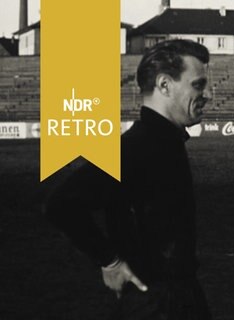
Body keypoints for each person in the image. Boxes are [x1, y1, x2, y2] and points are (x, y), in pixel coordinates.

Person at [44, 39, 212, 320]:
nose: (207, 94)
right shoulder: (137, 145)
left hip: (173, 296)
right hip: (157, 301)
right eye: (198, 84)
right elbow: (60, 204)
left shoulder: (163, 141)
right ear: (165, 85)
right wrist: (110, 261)